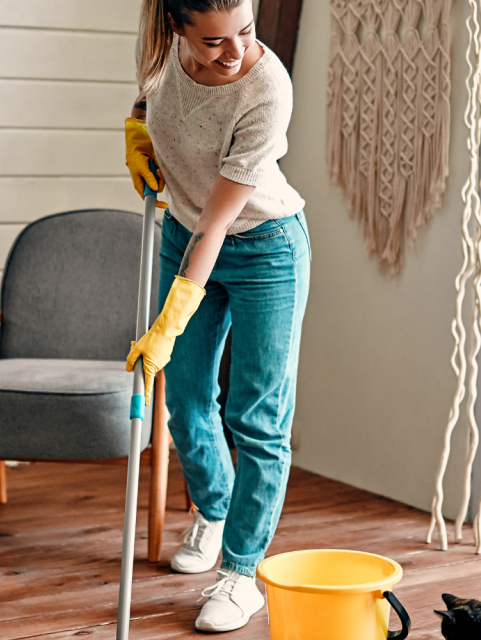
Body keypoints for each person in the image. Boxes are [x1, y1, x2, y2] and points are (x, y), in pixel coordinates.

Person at [124, 0, 309, 632]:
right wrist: (136, 133)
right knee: (188, 401)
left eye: (246, 33)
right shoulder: (161, 51)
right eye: (213, 42)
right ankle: (215, 507)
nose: (235, 53)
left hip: (263, 248)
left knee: (255, 416)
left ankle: (241, 571)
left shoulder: (268, 88)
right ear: (178, 28)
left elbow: (218, 222)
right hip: (183, 232)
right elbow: (150, 101)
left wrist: (166, 325)